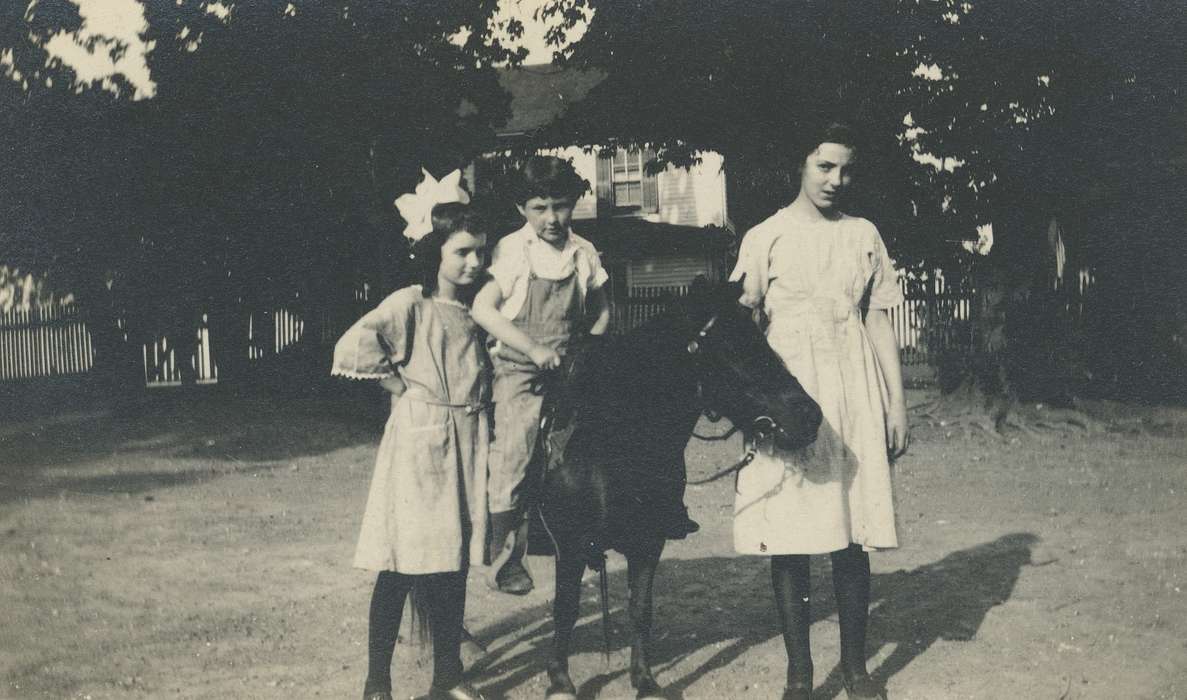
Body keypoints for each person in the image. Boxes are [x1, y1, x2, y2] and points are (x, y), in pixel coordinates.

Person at [729, 123, 909, 700]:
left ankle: (857, 670)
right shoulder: (765, 236)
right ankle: (800, 674)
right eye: (824, 167)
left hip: (853, 389)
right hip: (788, 394)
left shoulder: (863, 234)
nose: (836, 180)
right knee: (791, 532)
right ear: (800, 166)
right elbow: (744, 329)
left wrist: (895, 403)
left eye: (845, 169)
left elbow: (878, 320)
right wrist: (752, 407)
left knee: (849, 533)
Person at [471, 155, 702, 595]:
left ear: (574, 203)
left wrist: (593, 344)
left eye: (560, 206)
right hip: (520, 370)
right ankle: (505, 550)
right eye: (540, 208)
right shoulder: (512, 251)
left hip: (572, 366)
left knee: (624, 424)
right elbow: (484, 310)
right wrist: (533, 349)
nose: (552, 218)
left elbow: (601, 308)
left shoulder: (583, 251)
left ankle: (642, 511)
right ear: (523, 209)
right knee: (516, 444)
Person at [332, 170, 489, 700]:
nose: (474, 263)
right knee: (402, 560)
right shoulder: (411, 302)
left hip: (468, 437)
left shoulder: (481, 308)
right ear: (436, 252)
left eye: (479, 253)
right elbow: (356, 342)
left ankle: (448, 677)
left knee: (452, 559)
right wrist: (400, 385)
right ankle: (378, 682)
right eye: (463, 252)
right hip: (422, 441)